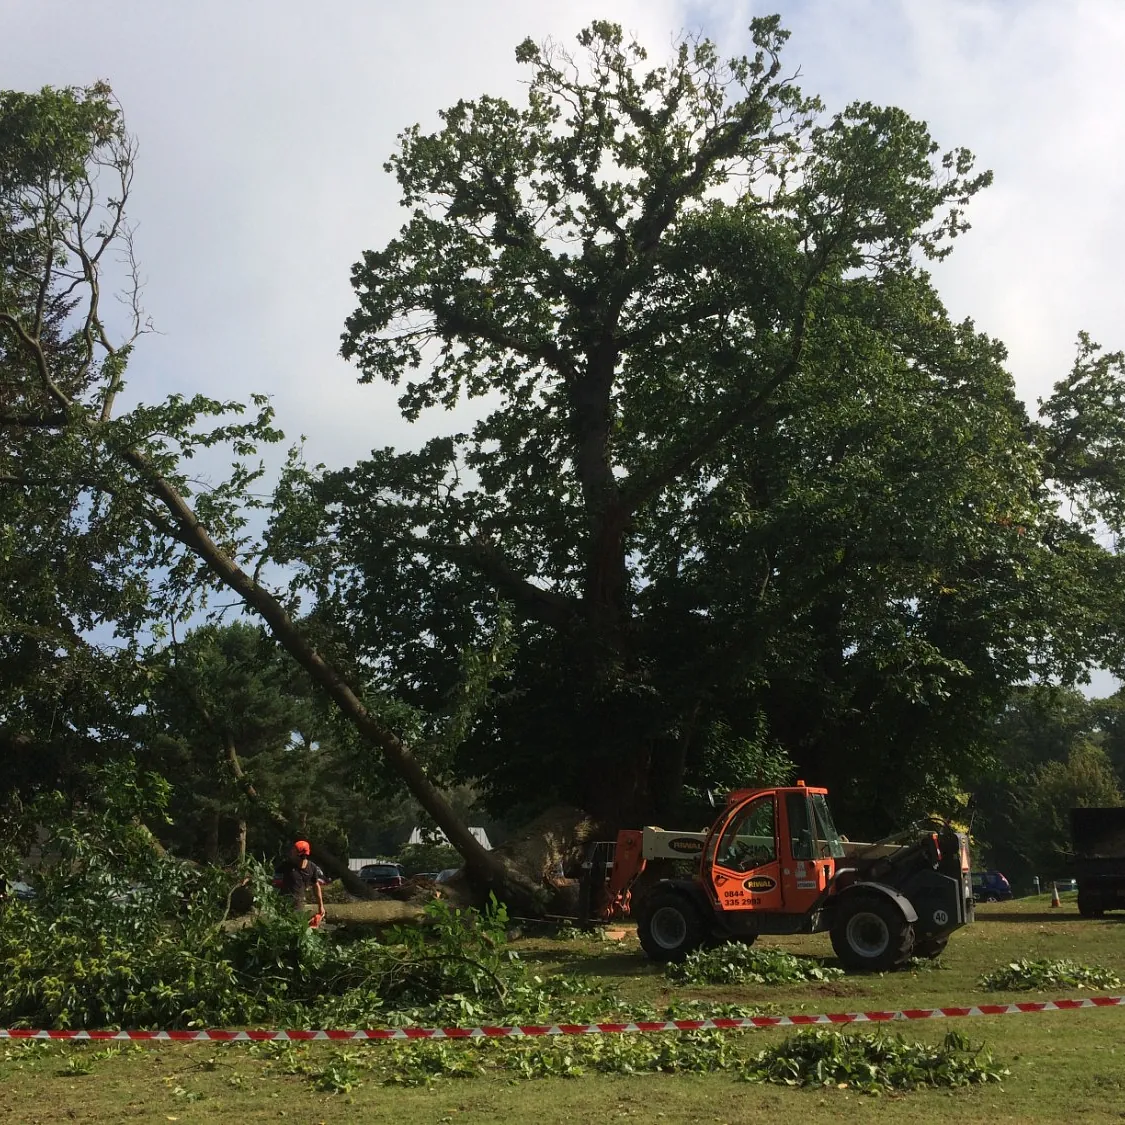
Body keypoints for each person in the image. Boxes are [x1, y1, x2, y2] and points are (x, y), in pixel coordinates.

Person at [277, 840, 325, 917]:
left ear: (301, 855)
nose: (291, 853)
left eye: (294, 852)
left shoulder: (312, 868)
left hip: (299, 906)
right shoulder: (286, 865)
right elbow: (272, 877)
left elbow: (316, 886)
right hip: (284, 905)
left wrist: (321, 906)